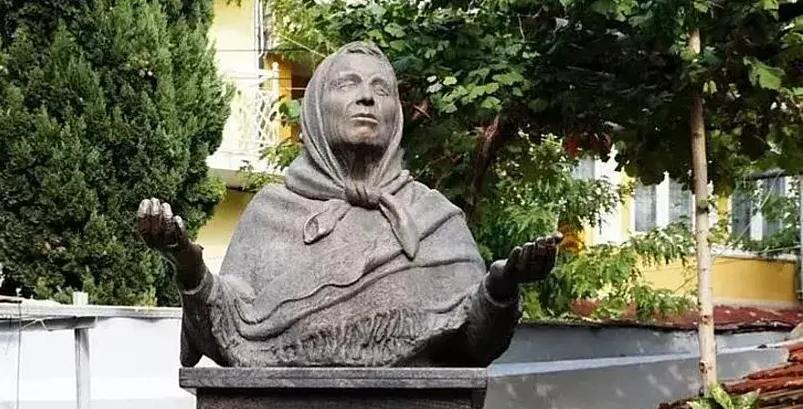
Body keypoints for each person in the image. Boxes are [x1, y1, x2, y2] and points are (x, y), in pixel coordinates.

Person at [138, 42, 561, 368]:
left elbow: (474, 346)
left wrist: (501, 288)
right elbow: (227, 335)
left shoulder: (435, 220)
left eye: (382, 90)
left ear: (396, 116)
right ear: (316, 111)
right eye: (348, 85)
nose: (367, 98)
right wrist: (188, 263)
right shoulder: (271, 212)